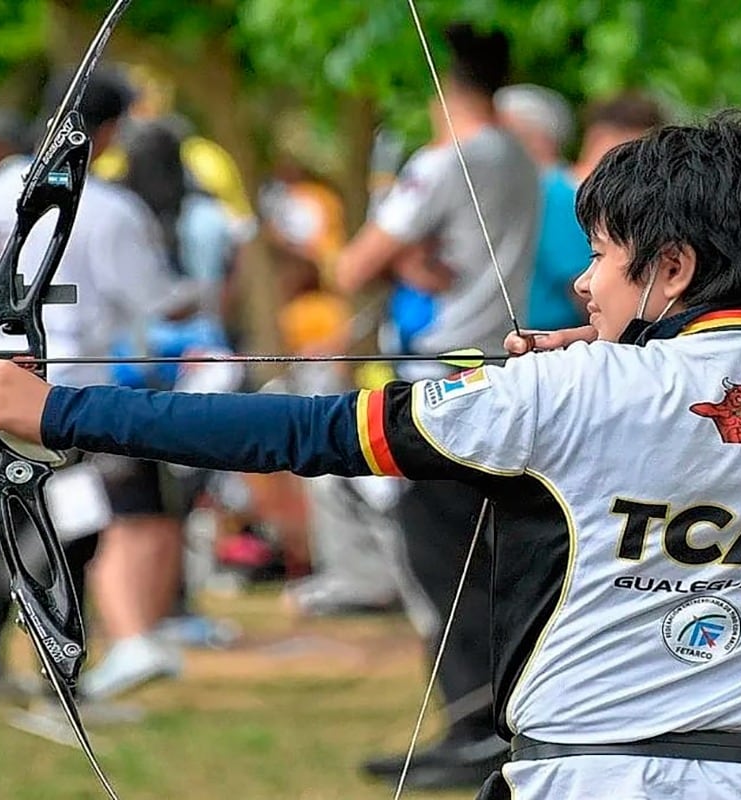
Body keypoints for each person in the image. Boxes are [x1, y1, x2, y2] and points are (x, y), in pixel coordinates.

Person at [0, 113, 741, 800]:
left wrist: (59, 409)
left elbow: (300, 434)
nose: (583, 288)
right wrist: (651, 335)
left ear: (673, 268)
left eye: (608, 258)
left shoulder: (563, 394)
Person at [0, 67, 193, 702]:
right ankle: (58, 681)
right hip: (61, 398)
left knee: (17, 521)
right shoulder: (106, 207)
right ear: (104, 132)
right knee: (67, 535)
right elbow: (155, 301)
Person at [335, 22, 540, 788]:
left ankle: (476, 726)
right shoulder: (520, 156)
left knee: (436, 552)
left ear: (446, 87)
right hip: (499, 369)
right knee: (475, 556)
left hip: (442, 375)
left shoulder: (448, 158)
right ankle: (481, 720)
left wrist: (403, 262)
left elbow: (355, 263)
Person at [499, 89, 668, 331]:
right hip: (553, 334)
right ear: (599, 138)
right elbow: (581, 289)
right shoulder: (558, 194)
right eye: (634, 148)